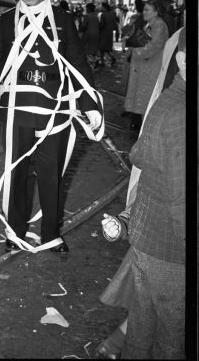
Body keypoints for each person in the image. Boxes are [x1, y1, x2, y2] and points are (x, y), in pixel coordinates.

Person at [0, 0, 103, 254]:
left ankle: (50, 233)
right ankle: (15, 231)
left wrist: (90, 104)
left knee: (51, 174)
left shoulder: (63, 19)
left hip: (54, 113)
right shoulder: (4, 23)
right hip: (17, 112)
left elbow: (78, 64)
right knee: (16, 173)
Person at [97, 26, 186, 359]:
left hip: (149, 241)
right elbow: (180, 202)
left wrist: (124, 219)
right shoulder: (180, 116)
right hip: (170, 251)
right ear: (183, 59)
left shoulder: (169, 102)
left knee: (141, 330)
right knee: (171, 339)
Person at [124, 0, 169, 132]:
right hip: (143, 67)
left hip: (151, 67)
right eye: (144, 9)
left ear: (156, 12)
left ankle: (144, 127)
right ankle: (138, 122)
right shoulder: (149, 24)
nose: (143, 12)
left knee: (146, 97)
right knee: (141, 95)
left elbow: (154, 46)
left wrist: (135, 52)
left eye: (147, 9)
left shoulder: (159, 25)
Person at [98, 2, 117, 68]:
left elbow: (102, 25)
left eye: (102, 7)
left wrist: (98, 25)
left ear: (105, 7)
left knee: (101, 48)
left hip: (104, 33)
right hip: (110, 33)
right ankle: (112, 57)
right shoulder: (112, 14)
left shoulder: (103, 14)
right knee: (107, 48)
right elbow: (115, 24)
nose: (101, 8)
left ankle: (102, 61)